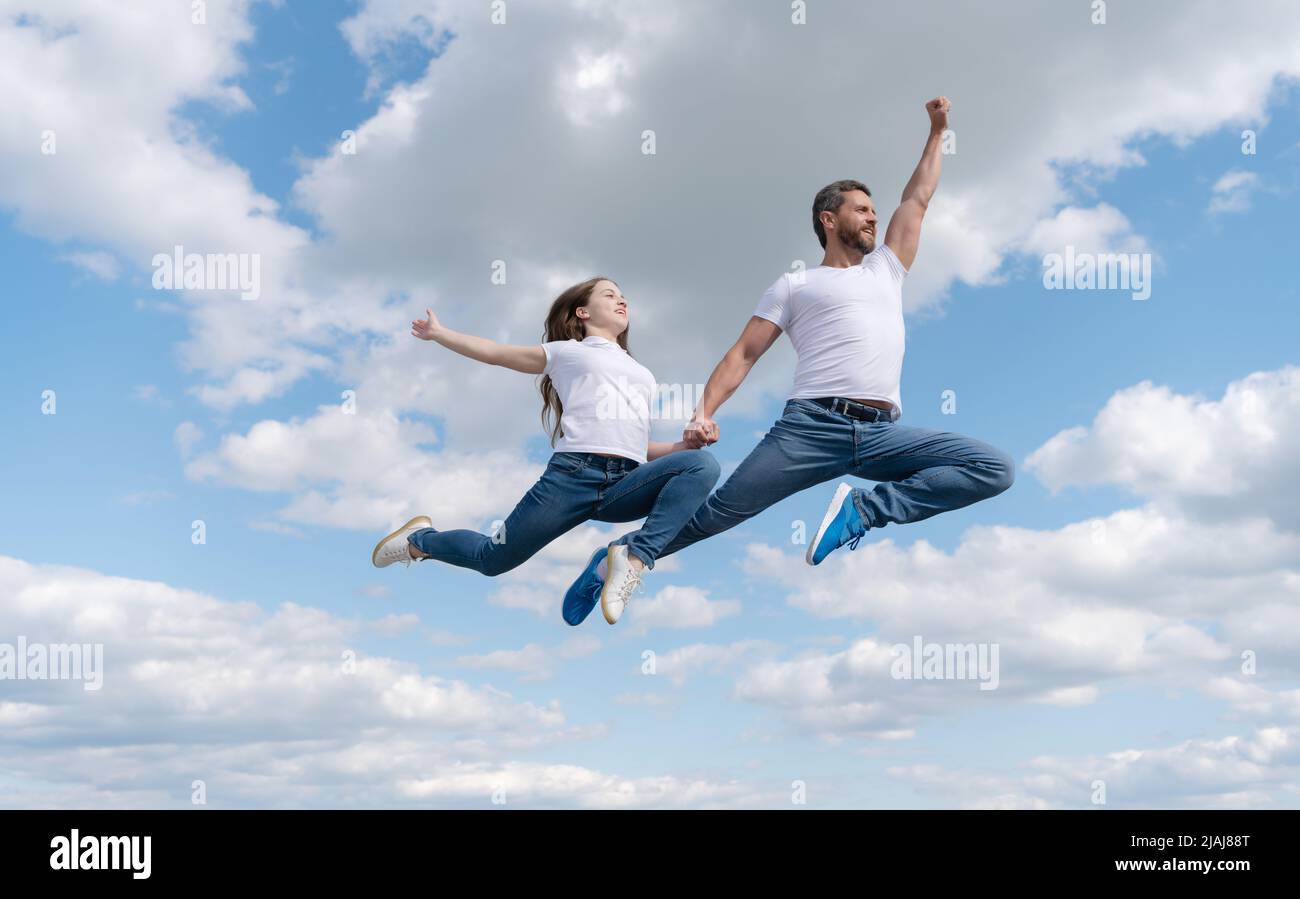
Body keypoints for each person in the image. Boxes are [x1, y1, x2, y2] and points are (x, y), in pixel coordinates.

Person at [606, 96, 1015, 576]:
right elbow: (742, 354)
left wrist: (937, 132)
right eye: (861, 210)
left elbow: (918, 199)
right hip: (810, 429)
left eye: (874, 211)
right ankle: (622, 557)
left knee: (992, 468)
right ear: (829, 219)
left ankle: (863, 510)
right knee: (719, 514)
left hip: (880, 432)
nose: (872, 218)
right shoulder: (795, 285)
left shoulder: (886, 269)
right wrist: (703, 413)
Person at [370, 277, 720, 627]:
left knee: (701, 465)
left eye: (624, 296)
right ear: (583, 312)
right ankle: (418, 541)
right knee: (492, 559)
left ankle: (629, 560)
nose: (621, 300)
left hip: (624, 482)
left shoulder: (642, 373)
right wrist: (440, 333)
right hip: (572, 478)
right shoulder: (568, 352)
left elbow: (633, 443)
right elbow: (495, 353)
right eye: (610, 295)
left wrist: (683, 446)